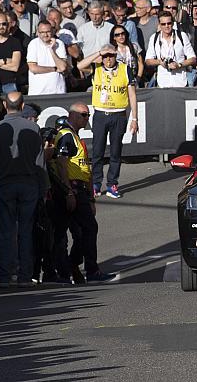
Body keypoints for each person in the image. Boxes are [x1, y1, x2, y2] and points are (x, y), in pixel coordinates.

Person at [52, 104, 115, 283]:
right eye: (83, 115)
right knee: (86, 228)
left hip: (78, 189)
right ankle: (88, 270)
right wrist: (68, 192)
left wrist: (90, 197)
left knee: (78, 231)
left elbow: (82, 167)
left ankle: (69, 268)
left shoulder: (74, 136)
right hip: (71, 189)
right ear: (72, 115)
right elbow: (62, 164)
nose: (87, 119)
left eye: (88, 115)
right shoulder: (66, 135)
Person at [0, 92, 47, 288]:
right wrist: (44, 188)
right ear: (22, 106)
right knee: (26, 231)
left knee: (6, 232)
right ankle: (25, 276)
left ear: (6, 106)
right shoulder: (32, 127)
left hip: (4, 184)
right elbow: (40, 163)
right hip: (28, 185)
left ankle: (5, 276)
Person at [76, 44, 138, 199]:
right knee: (97, 151)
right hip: (100, 115)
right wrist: (99, 52)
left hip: (118, 115)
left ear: (116, 55)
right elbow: (79, 65)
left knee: (116, 151)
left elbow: (132, 95)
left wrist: (134, 118)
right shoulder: (96, 68)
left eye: (111, 55)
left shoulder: (124, 69)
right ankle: (96, 183)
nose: (108, 59)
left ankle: (112, 184)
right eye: (105, 56)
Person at [144, 11, 197, 88]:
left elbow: (193, 59)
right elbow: (148, 61)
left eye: (169, 23)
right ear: (159, 25)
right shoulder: (154, 38)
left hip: (180, 83)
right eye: (163, 24)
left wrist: (179, 65)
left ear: (172, 23)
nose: (167, 26)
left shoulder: (182, 36)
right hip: (163, 84)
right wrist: (160, 62)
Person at [26, 20, 68, 95]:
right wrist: (54, 69)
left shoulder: (59, 44)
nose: (45, 35)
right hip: (38, 92)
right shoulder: (33, 44)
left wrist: (52, 50)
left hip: (58, 91)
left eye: (48, 32)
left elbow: (62, 68)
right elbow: (33, 68)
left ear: (52, 31)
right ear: (38, 33)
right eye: (42, 32)